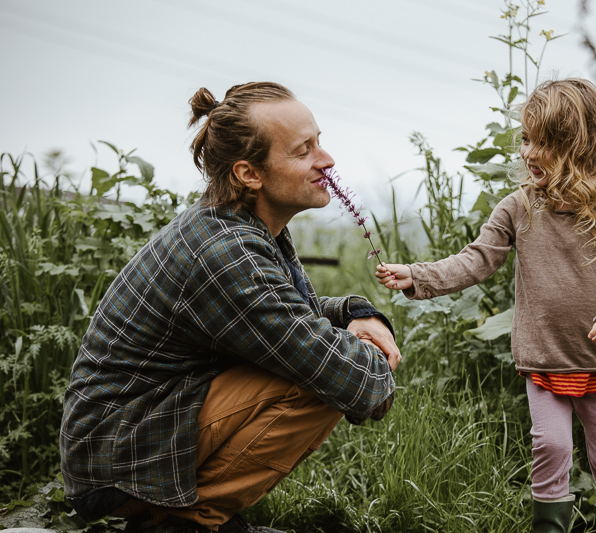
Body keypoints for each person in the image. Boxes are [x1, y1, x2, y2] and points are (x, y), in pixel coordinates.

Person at [60, 82, 400, 533]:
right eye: (304, 150)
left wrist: (355, 313)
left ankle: (181, 517)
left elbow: (283, 313)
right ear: (249, 174)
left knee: (315, 359)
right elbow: (353, 381)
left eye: (320, 141)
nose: (327, 160)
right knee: (317, 381)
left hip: (138, 427)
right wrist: (370, 362)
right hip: (119, 449)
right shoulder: (224, 254)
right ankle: (189, 524)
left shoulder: (240, 226)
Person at [376, 78, 596, 533]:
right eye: (525, 139)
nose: (527, 153)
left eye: (542, 143)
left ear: (578, 147)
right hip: (544, 358)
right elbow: (477, 260)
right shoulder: (518, 207)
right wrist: (418, 275)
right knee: (551, 448)